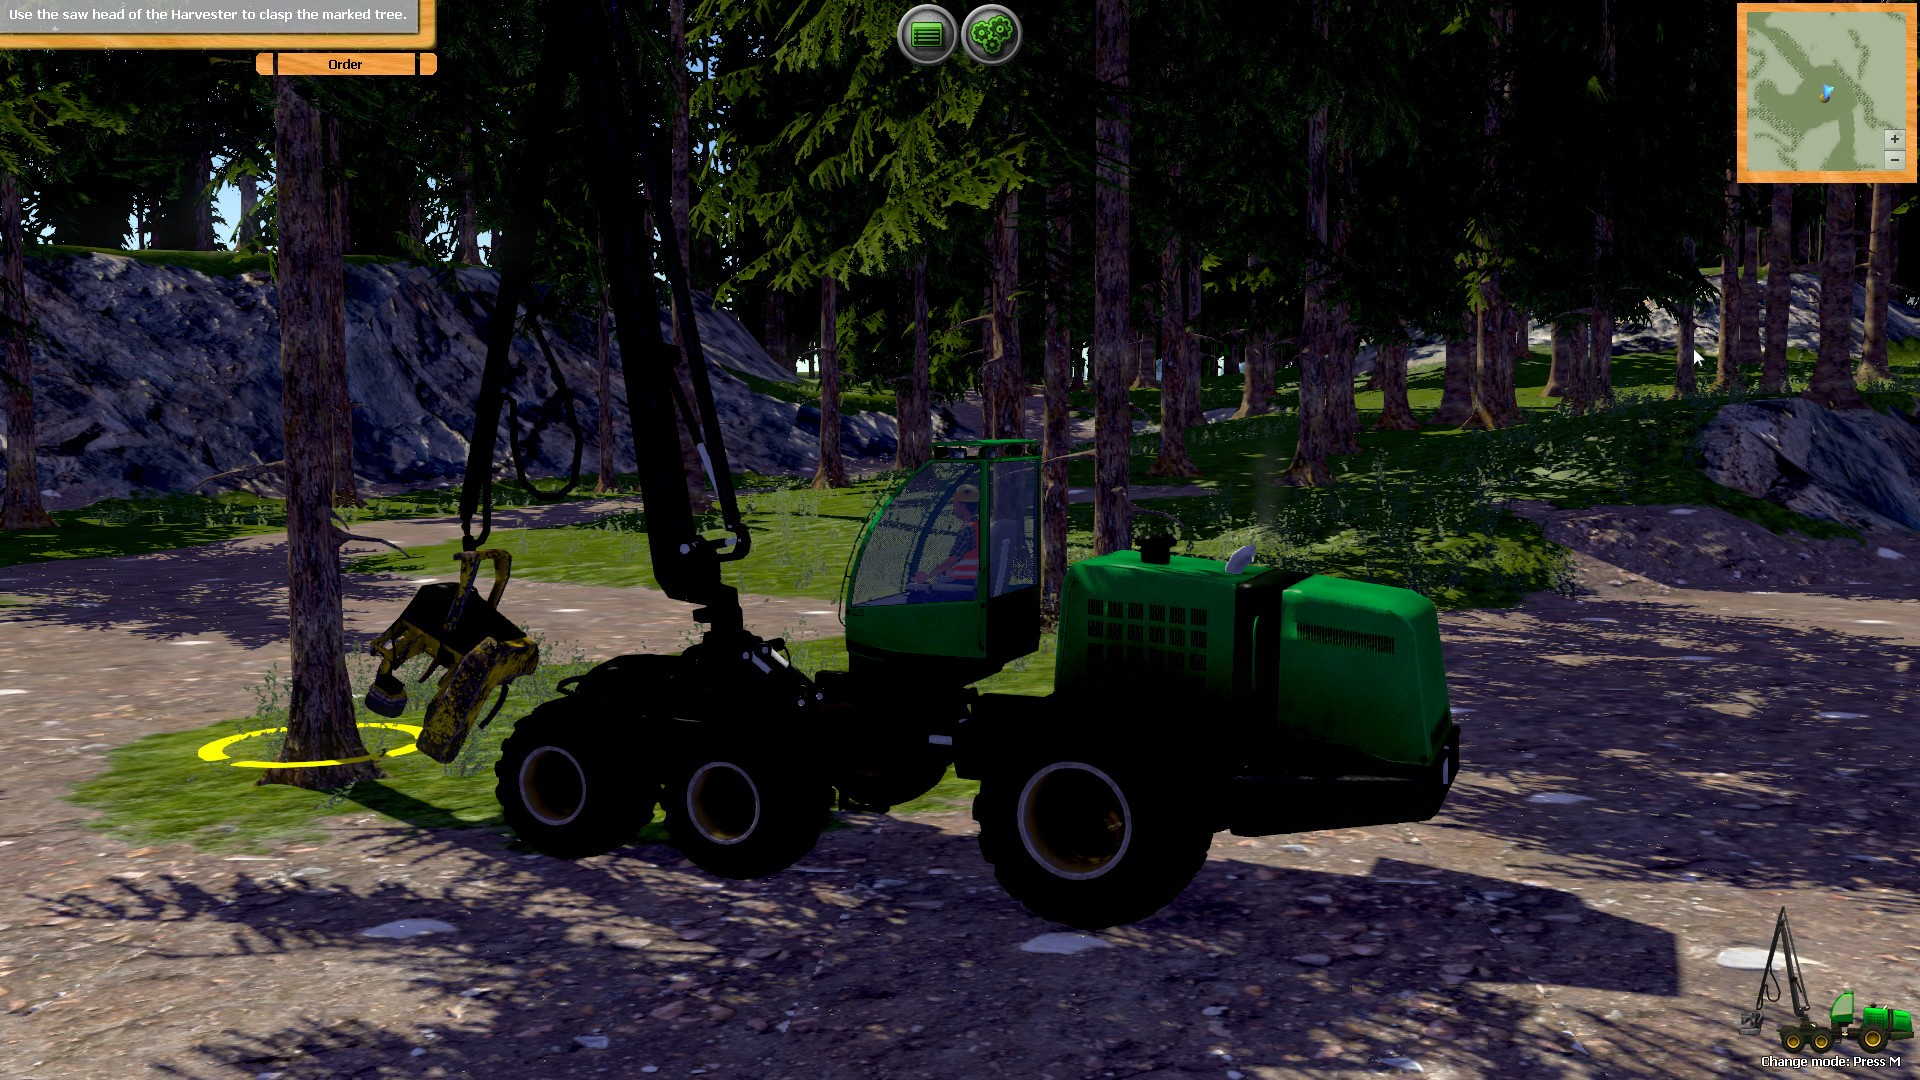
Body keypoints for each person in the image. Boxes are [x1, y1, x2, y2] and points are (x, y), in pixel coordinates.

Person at [912, 483, 980, 594]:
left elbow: (952, 561)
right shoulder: (980, 525)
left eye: (955, 504)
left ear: (962, 506)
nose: (954, 508)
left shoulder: (968, 529)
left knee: (918, 595)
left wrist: (928, 577)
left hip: (964, 584)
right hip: (973, 581)